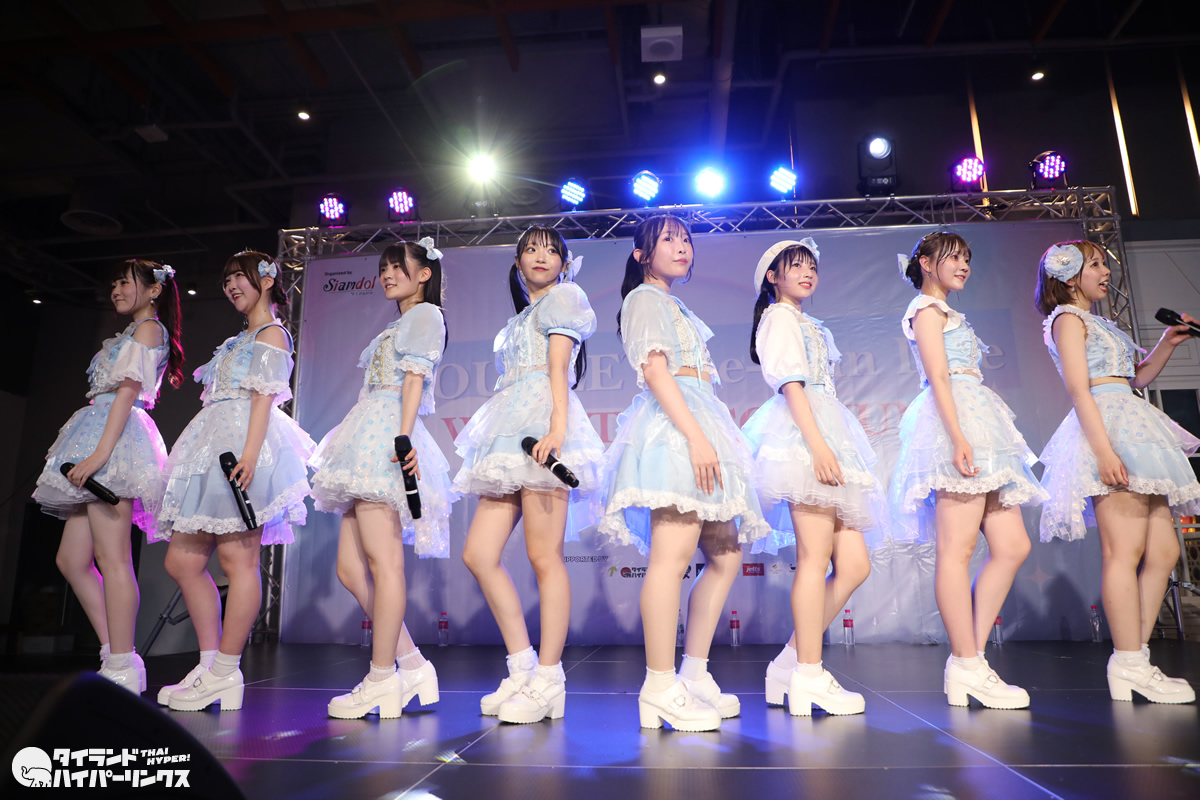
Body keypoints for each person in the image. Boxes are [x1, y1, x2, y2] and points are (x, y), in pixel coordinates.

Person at [600, 215, 769, 732]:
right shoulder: (644, 299)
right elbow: (655, 371)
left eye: (686, 239)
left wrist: (704, 432)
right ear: (641, 254)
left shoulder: (673, 303)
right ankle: (658, 685)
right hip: (677, 426)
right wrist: (695, 437)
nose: (681, 247)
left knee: (725, 553)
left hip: (699, 415)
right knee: (671, 558)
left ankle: (692, 675)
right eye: (668, 239)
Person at [888, 232, 1045, 709]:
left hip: (980, 419)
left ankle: (969, 658)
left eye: (967, 259)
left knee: (1013, 545)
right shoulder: (926, 310)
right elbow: (938, 376)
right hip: (955, 422)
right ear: (926, 262)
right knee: (955, 551)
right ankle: (966, 661)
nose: (963, 266)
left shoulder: (946, 312)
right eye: (953, 257)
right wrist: (957, 438)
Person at [1036, 240, 1197, 703]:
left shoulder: (1100, 323)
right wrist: (1104, 452)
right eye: (1095, 264)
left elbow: (1135, 379)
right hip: (1107, 428)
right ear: (1069, 276)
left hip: (1133, 420)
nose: (1106, 272)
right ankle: (1128, 661)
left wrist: (1168, 342)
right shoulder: (1067, 320)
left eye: (1105, 264)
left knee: (1164, 550)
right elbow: (1079, 389)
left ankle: (1135, 658)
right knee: (1123, 550)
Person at [454, 226, 603, 724]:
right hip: (509, 428)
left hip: (545, 423)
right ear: (517, 262)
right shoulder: (520, 318)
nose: (541, 256)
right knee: (478, 553)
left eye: (552, 250)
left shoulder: (565, 298)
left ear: (564, 262)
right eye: (531, 249)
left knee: (544, 556)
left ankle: (549, 676)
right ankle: (522, 667)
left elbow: (559, 368)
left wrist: (557, 428)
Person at [157, 251, 315, 711]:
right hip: (212, 445)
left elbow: (265, 399)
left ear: (265, 281)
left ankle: (225, 670)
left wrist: (249, 456)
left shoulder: (273, 333)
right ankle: (211, 665)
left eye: (238, 277)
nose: (230, 286)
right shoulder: (236, 340)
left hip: (246, 447)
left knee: (237, 561)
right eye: (226, 279)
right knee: (182, 560)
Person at [311, 239, 455, 718]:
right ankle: (411, 664)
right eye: (384, 268)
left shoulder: (425, 315)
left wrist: (404, 437)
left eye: (398, 267)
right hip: (368, 432)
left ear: (424, 274)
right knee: (350, 570)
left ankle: (381, 678)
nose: (387, 274)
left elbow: (414, 379)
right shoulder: (400, 322)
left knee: (384, 564)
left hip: (387, 435)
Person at [742, 239, 881, 716]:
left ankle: (790, 662)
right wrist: (818, 446)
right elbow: (790, 385)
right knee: (814, 558)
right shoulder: (778, 317)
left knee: (854, 564)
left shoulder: (807, 322)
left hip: (826, 429)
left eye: (811, 267)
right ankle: (809, 673)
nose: (806, 273)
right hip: (805, 435)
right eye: (795, 266)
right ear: (773, 277)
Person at [34, 258, 184, 693]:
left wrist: (100, 455)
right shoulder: (131, 332)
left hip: (116, 443)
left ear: (153, 290)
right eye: (114, 283)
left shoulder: (149, 329)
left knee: (112, 556)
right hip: (98, 432)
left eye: (125, 282)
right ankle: (117, 652)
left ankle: (122, 662)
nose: (116, 290)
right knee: (71, 560)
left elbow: (126, 393)